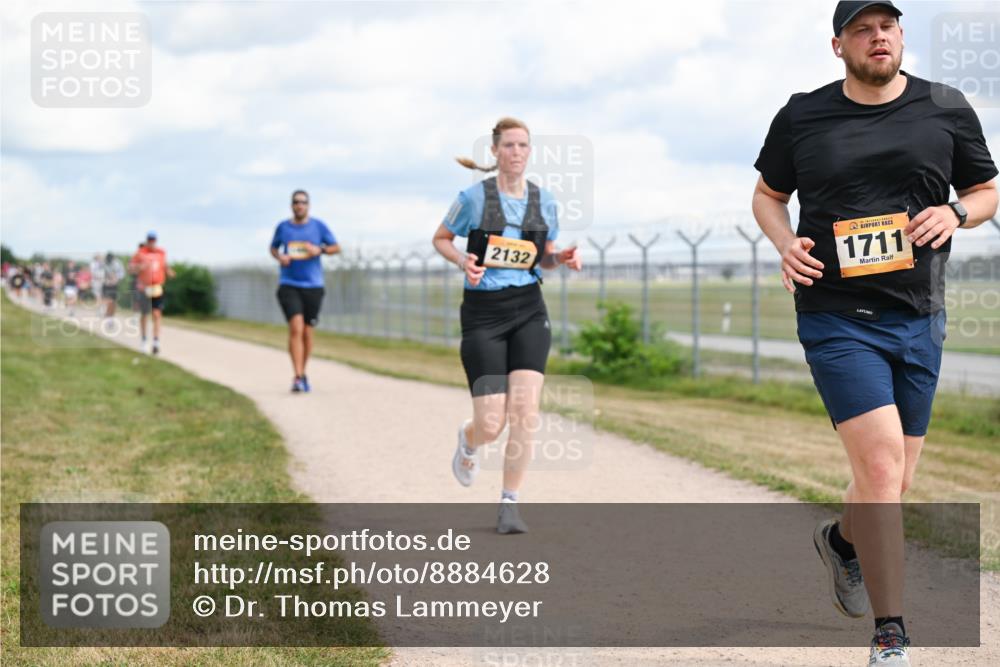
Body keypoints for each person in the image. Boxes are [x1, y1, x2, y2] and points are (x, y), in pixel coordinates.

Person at [751, 3, 998, 665]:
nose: (877, 36)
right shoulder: (803, 113)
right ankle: (892, 633)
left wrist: (955, 212)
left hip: (918, 315)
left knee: (892, 479)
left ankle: (840, 541)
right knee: (882, 466)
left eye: (887, 24)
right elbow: (767, 194)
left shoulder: (944, 107)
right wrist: (784, 244)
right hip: (835, 314)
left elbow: (985, 189)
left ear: (901, 36)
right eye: (862, 28)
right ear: (839, 46)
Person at [432, 117, 582, 534]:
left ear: (530, 152)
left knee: (525, 412)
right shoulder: (474, 198)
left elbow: (542, 258)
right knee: (492, 423)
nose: (517, 152)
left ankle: (509, 503)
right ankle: (470, 439)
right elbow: (441, 238)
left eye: (524, 146)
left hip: (529, 308)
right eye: (510, 145)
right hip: (483, 313)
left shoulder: (543, 201)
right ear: (495, 151)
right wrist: (463, 260)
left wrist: (562, 258)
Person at [270, 190, 341, 392]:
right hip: (289, 283)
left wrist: (320, 250)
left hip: (313, 286)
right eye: (296, 202)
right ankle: (298, 376)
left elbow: (336, 247)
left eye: (303, 202)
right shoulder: (283, 227)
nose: (299, 205)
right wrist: (279, 257)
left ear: (308, 205)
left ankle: (303, 371)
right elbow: (273, 248)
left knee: (308, 333)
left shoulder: (318, 227)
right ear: (291, 205)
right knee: (296, 328)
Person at [129, 232, 175, 354]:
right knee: (144, 314)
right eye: (150, 239)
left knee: (156, 314)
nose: (151, 241)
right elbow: (130, 269)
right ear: (147, 240)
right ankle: (144, 340)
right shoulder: (140, 253)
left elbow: (165, 266)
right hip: (144, 288)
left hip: (157, 288)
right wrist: (139, 267)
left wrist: (169, 272)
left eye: (153, 240)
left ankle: (156, 341)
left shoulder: (161, 253)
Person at [101, 252, 126, 318]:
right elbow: (99, 272)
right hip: (105, 283)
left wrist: (116, 278)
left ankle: (111, 314)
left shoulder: (118, 263)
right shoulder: (103, 263)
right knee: (106, 299)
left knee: (113, 301)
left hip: (114, 284)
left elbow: (122, 273)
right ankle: (106, 312)